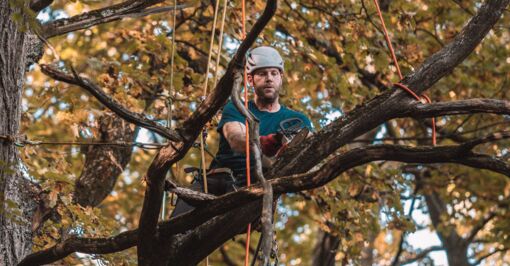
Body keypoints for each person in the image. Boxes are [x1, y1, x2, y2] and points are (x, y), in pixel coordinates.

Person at [170, 46, 313, 217]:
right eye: (262, 74)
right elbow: (236, 139)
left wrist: (286, 151)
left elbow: (310, 148)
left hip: (254, 188)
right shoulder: (237, 107)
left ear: (281, 78)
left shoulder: (297, 120)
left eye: (274, 73)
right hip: (217, 181)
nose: (269, 79)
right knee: (175, 227)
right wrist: (267, 141)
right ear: (251, 80)